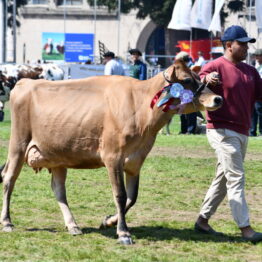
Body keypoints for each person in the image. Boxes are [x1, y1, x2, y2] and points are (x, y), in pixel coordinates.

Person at [194, 25, 262, 243]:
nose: (245, 48)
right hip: (221, 129)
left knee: (224, 178)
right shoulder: (214, 66)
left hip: (242, 131)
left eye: (246, 44)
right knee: (236, 177)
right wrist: (207, 80)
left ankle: (202, 221)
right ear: (228, 45)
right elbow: (197, 83)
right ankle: (246, 228)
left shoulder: (250, 71)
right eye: (241, 44)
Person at [175, 51, 197, 134]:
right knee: (182, 112)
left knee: (191, 111)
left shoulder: (193, 67)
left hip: (191, 92)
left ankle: (191, 130)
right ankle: (183, 130)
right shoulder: (182, 68)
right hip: (182, 92)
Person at [250, 49, 262, 136]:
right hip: (253, 90)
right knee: (253, 112)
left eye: (259, 55)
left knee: (260, 111)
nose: (257, 57)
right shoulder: (253, 64)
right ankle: (252, 131)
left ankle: (261, 131)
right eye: (256, 55)